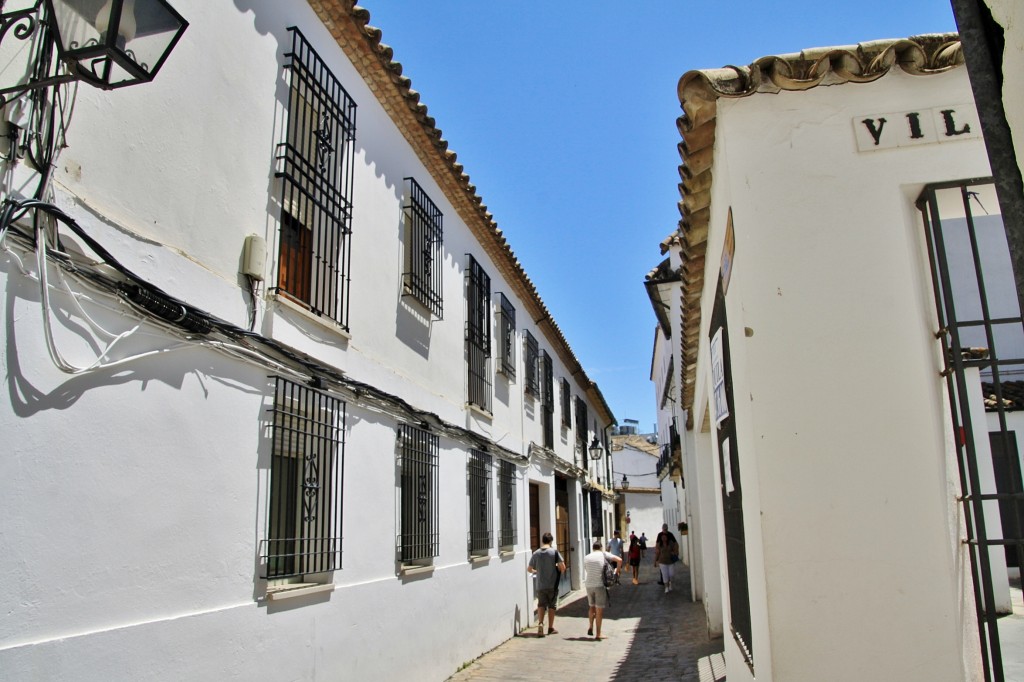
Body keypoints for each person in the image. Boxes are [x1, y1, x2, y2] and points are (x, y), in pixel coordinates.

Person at [527, 532, 566, 637]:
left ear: (542, 541)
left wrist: (537, 571)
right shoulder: (555, 553)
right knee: (552, 606)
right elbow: (563, 568)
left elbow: (529, 569)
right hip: (552, 585)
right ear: (551, 541)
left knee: (541, 604)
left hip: (540, 585)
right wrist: (557, 567)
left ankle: (540, 623)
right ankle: (550, 627)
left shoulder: (536, 553)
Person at [583, 540, 622, 640]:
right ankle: (598, 633)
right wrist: (617, 571)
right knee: (599, 609)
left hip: (589, 584)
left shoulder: (586, 557)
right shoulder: (603, 554)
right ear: (600, 548)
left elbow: (586, 570)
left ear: (593, 548)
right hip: (599, 585)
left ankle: (591, 626)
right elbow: (619, 560)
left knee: (591, 607)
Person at [654, 523, 679, 594]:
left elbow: (676, 544)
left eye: (666, 529)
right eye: (664, 529)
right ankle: (666, 587)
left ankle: (670, 583)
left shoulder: (670, 535)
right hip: (662, 560)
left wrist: (675, 552)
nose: (665, 531)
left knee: (671, 574)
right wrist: (655, 560)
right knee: (664, 574)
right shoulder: (659, 536)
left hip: (670, 560)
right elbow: (657, 548)